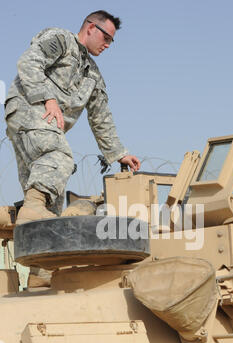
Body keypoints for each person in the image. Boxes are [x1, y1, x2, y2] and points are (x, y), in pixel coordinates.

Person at [4, 10, 141, 225]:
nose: (107, 45)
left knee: (51, 201)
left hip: (44, 127)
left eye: (111, 42)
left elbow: (100, 117)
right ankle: (32, 208)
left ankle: (38, 242)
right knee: (60, 156)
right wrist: (47, 98)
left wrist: (118, 154)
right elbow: (29, 61)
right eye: (106, 38)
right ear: (91, 28)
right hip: (28, 108)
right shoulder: (61, 40)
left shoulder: (93, 75)